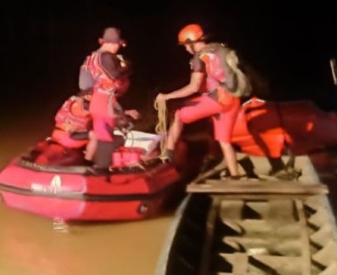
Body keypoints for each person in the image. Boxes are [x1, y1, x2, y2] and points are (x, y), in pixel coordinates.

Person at [154, 23, 244, 178]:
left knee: (178, 114)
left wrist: (166, 96)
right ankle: (235, 175)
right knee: (225, 141)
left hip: (218, 100)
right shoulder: (221, 49)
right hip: (233, 99)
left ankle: (166, 156)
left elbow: (193, 87)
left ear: (191, 42)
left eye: (185, 45)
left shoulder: (200, 57)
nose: (185, 49)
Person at [81, 27, 140, 170]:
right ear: (114, 43)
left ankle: (99, 166)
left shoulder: (91, 58)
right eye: (119, 45)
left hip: (98, 101)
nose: (118, 49)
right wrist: (127, 66)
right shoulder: (106, 56)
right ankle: (101, 171)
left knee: (103, 137)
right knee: (105, 139)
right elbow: (114, 75)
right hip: (105, 104)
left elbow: (83, 84)